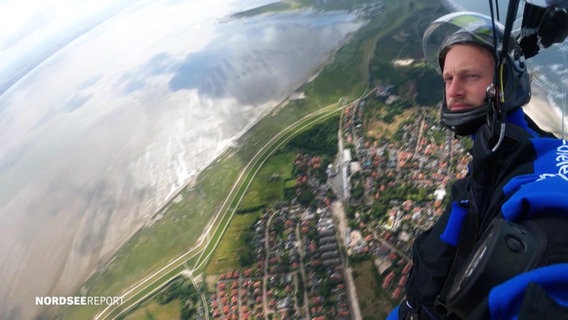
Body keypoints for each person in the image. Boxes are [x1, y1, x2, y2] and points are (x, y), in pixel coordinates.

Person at [388, 11, 568, 320]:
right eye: (447, 78)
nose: (453, 90)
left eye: (469, 76)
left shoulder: (540, 165)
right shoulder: (481, 170)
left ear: (506, 82)